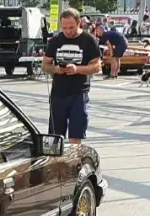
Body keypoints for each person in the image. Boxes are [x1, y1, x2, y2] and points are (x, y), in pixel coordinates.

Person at [43, 8, 101, 145]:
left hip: (79, 93)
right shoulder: (55, 41)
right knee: (55, 137)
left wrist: (77, 69)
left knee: (76, 135)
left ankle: (75, 158)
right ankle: (56, 159)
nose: (68, 31)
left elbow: (97, 66)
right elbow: (45, 65)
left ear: (79, 22)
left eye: (71, 27)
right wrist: (56, 69)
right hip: (58, 94)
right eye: (64, 28)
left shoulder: (89, 40)